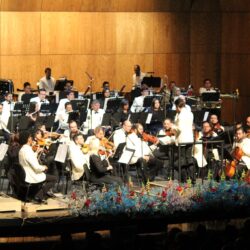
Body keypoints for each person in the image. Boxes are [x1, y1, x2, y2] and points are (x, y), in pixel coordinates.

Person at [18, 131, 57, 203]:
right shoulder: (28, 150)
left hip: (26, 173)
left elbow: (30, 159)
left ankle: (34, 194)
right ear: (27, 139)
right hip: (31, 175)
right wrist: (44, 167)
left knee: (46, 175)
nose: (32, 139)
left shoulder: (22, 149)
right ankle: (39, 196)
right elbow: (36, 167)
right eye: (30, 137)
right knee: (54, 179)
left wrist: (36, 152)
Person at [174, 98, 195, 182]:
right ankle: (193, 179)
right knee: (189, 158)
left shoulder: (181, 115)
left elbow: (180, 128)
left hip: (182, 139)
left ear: (177, 106)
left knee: (182, 159)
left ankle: (184, 179)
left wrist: (173, 127)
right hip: (190, 138)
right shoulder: (190, 113)